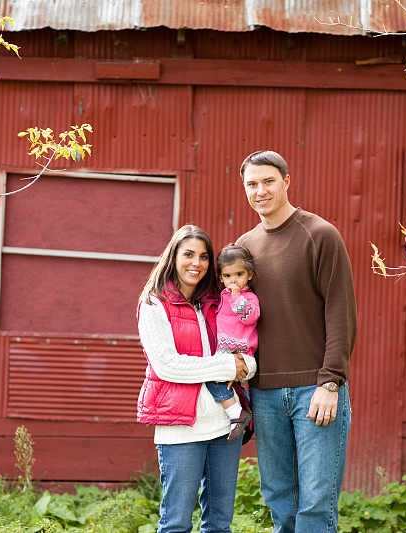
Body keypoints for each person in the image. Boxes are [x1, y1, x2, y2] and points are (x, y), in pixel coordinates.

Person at [236, 150, 357, 532]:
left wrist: (330, 381)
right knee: (279, 500)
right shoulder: (245, 246)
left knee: (316, 505)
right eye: (252, 184)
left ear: (286, 181)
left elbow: (341, 312)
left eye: (268, 181)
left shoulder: (319, 234)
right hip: (265, 393)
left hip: (314, 391)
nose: (261, 191)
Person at [136, 225, 257, 533]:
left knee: (219, 524)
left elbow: (246, 347)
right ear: (173, 257)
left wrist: (248, 367)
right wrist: (229, 366)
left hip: (225, 424)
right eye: (188, 254)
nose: (197, 263)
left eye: (204, 256)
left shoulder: (217, 302)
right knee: (176, 523)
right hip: (181, 427)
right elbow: (168, 366)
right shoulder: (154, 304)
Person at [204, 243, 260, 441]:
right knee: (214, 379)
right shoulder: (223, 296)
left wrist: (237, 297)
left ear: (249, 274)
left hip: (240, 350)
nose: (233, 280)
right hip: (223, 350)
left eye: (239, 274)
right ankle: (239, 414)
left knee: (215, 378)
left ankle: (238, 414)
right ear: (221, 277)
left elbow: (250, 318)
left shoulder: (249, 297)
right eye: (227, 276)